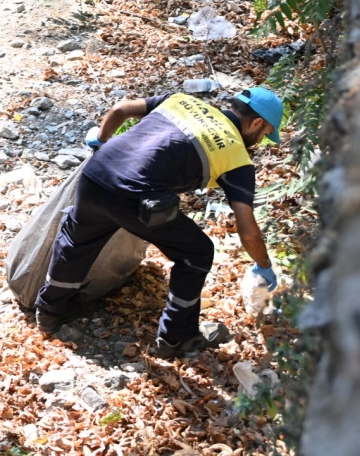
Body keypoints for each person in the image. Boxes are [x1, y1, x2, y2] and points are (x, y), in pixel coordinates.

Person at [35, 87, 285, 357]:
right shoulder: (237, 158)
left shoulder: (183, 101)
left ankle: (49, 313)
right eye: (265, 133)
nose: (261, 140)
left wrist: (101, 140)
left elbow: (120, 109)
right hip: (134, 198)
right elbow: (247, 230)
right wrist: (263, 265)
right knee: (197, 253)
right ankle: (176, 338)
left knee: (78, 241)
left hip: (96, 173)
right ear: (256, 123)